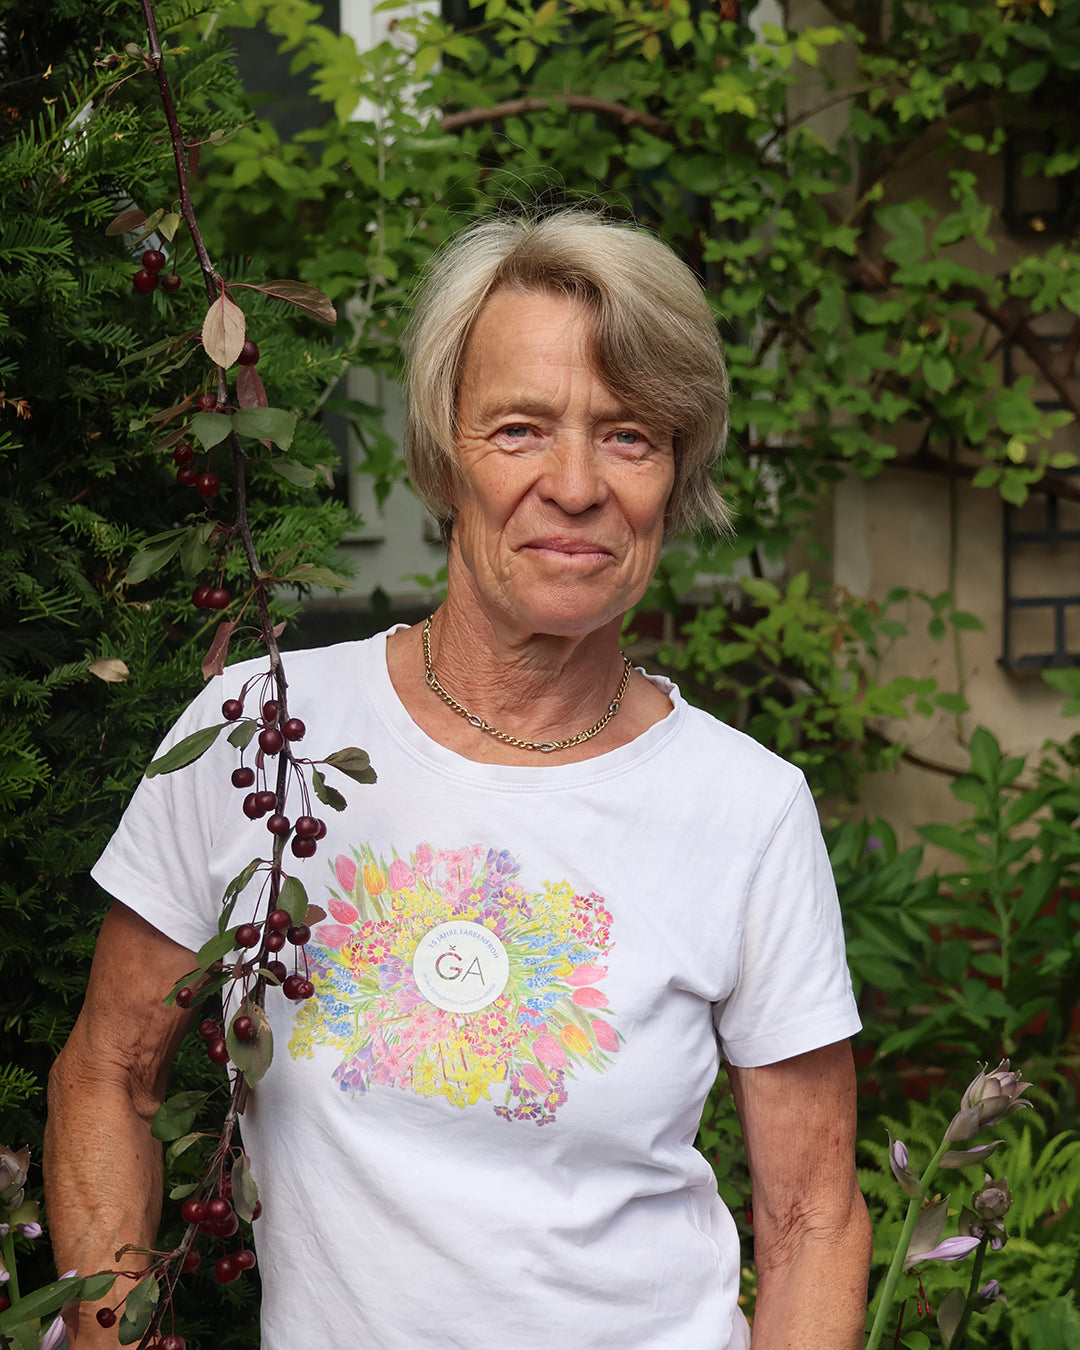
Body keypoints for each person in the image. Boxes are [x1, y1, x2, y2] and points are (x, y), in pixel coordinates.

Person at [45, 210, 871, 1349]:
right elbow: (108, 1074)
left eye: (629, 435)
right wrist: (107, 1332)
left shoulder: (747, 808)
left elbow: (813, 1219)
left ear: (674, 474)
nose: (575, 485)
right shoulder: (263, 732)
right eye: (522, 427)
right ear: (442, 451)